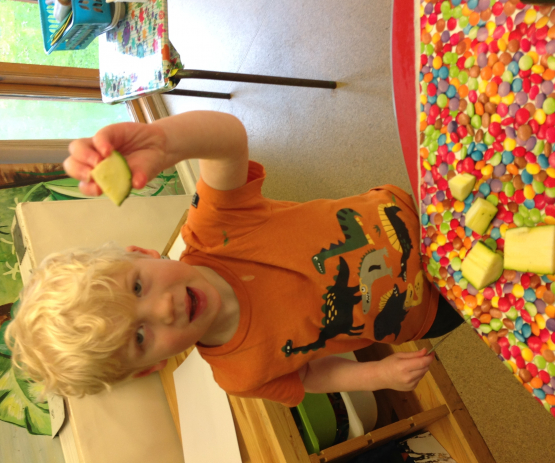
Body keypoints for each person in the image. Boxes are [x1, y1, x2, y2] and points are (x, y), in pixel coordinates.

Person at [5, 110, 463, 406]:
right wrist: (377, 375)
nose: (164, 308)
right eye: (140, 336)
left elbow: (227, 141)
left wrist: (165, 143)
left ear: (143, 254)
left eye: (138, 287)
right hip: (429, 311)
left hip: (423, 215)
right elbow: (309, 375)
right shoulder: (239, 375)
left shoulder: (213, 226)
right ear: (149, 366)